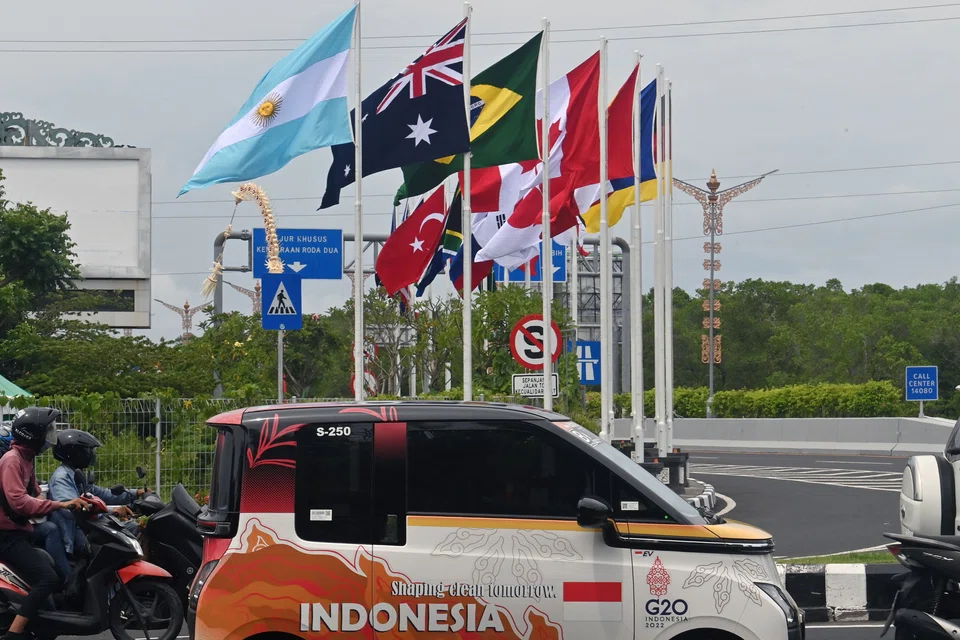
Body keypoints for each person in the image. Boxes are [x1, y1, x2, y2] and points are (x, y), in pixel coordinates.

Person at [0, 407, 86, 640]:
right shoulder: (11, 461)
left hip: (19, 531)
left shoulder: (26, 460)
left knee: (51, 566)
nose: (49, 437)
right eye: (46, 431)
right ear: (32, 434)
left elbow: (37, 495)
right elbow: (20, 502)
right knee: (46, 578)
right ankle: (13, 633)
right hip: (6, 536)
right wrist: (60, 505)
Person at [47, 429, 146, 561]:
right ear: (76, 453)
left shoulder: (75, 473)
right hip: (75, 532)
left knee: (136, 528)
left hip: (88, 526)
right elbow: (71, 508)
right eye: (87, 450)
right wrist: (113, 511)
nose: (91, 454)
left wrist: (135, 493)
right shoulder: (62, 477)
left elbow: (103, 494)